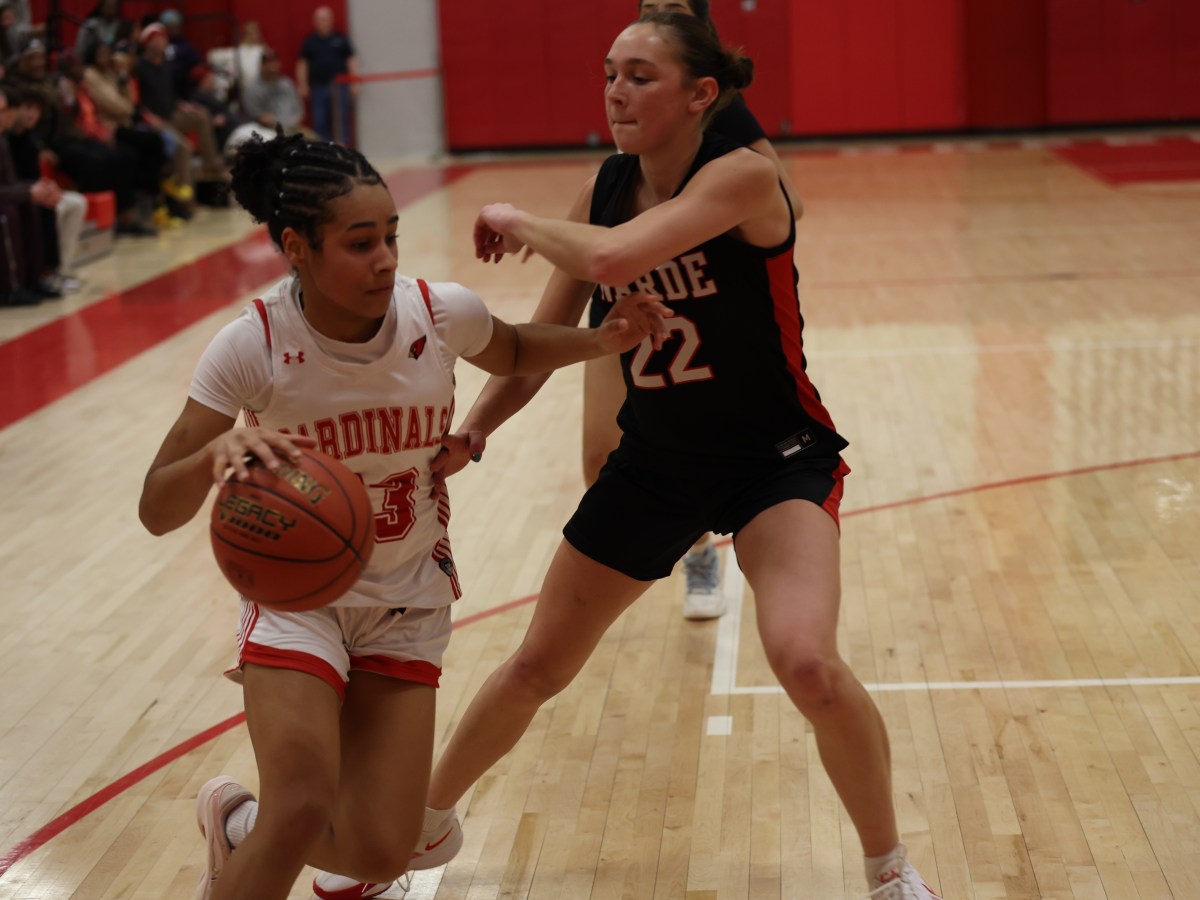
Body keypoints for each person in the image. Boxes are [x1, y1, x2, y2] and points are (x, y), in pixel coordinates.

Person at [319, 11, 943, 900]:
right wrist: (479, 428)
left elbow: (616, 255)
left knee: (806, 660)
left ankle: (890, 869)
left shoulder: (744, 177)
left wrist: (511, 215)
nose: (616, 90)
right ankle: (419, 831)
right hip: (657, 460)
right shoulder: (604, 186)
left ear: (701, 94)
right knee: (537, 665)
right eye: (610, 72)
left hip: (775, 458)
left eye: (641, 75)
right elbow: (543, 333)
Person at [136, 129, 668, 900]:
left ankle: (239, 826)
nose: (384, 258)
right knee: (307, 804)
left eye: (390, 236)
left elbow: (514, 348)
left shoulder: (436, 313)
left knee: (384, 855)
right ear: (297, 246)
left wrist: (603, 338)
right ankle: (268, 829)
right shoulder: (250, 345)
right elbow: (157, 506)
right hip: (299, 601)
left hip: (407, 598)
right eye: (359, 243)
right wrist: (212, 460)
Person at [579, 0, 804, 622]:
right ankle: (688, 544)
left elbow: (792, 203)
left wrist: (687, 223)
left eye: (674, 7)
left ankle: (704, 550)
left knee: (706, 436)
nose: (661, 15)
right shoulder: (631, 111)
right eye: (652, 6)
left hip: (694, 297)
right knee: (599, 461)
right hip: (627, 305)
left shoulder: (723, 108)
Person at [295, 5, 357, 143]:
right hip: (318, 86)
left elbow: (351, 59)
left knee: (341, 119)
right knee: (320, 119)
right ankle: (323, 148)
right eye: (319, 19)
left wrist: (353, 82)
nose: (322, 22)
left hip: (340, 87)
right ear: (315, 21)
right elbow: (303, 64)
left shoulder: (341, 39)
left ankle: (342, 148)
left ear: (331, 20)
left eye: (324, 19)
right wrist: (303, 84)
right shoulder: (310, 41)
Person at [239, 46, 309, 137]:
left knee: (319, 144)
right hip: (268, 132)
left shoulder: (287, 84)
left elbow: (299, 110)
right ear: (261, 65)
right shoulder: (252, 89)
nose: (272, 66)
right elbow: (255, 115)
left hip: (294, 129)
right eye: (268, 63)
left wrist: (295, 120)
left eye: (274, 62)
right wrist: (268, 120)